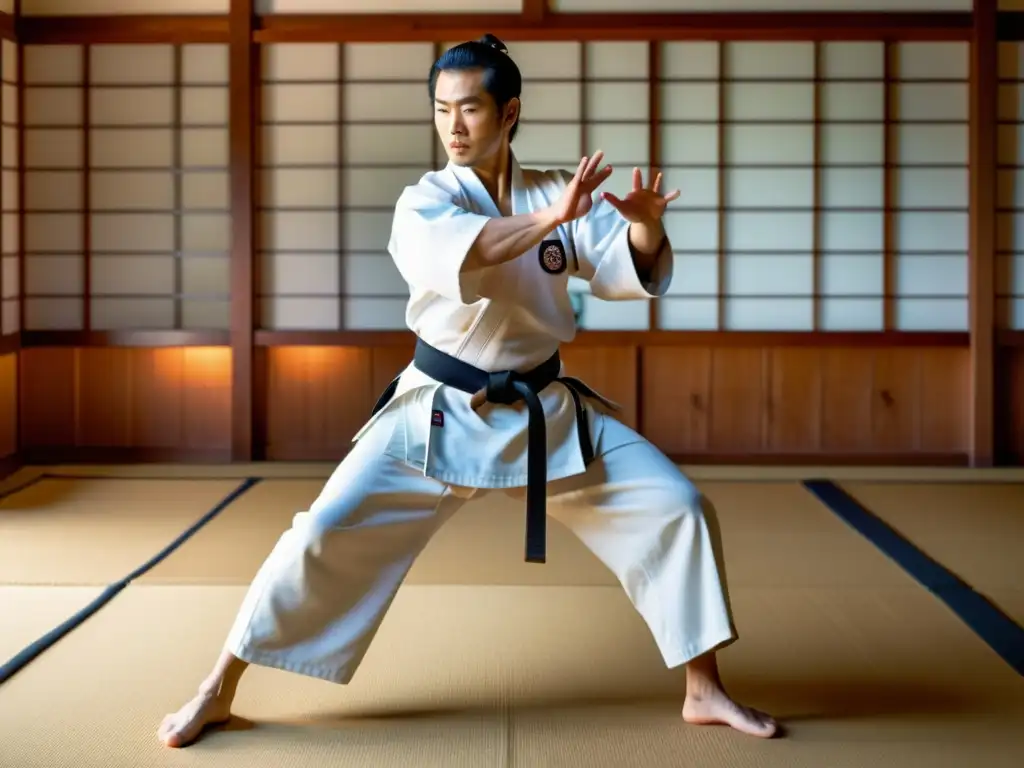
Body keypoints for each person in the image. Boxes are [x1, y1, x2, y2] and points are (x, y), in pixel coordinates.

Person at [158, 34, 777, 748]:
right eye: (441, 110)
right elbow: (475, 249)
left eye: (471, 109)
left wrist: (644, 227)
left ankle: (705, 689)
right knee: (323, 533)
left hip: (544, 412)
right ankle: (217, 688)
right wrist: (552, 221)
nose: (453, 126)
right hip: (437, 410)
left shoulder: (555, 190)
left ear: (509, 112)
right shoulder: (426, 199)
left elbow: (621, 271)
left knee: (677, 506)